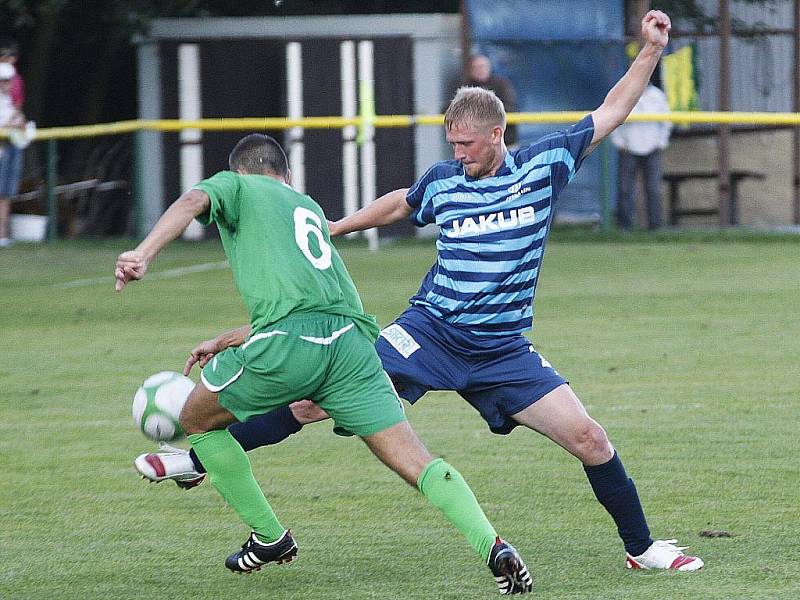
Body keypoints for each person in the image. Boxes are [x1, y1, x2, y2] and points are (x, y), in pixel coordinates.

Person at [137, 10, 704, 576]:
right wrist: (335, 227)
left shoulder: (545, 164)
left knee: (589, 438)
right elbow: (400, 202)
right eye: (452, 143)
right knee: (315, 397)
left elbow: (610, 113)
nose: (458, 153)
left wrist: (650, 51)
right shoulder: (445, 180)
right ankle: (197, 457)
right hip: (426, 333)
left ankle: (643, 548)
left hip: (503, 349)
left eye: (467, 144)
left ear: (497, 135)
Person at [115, 133, 532, 595]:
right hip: (351, 346)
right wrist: (233, 337)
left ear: (240, 173)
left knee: (196, 419)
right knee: (415, 460)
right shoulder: (306, 206)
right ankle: (492, 545)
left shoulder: (238, 187)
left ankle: (270, 537)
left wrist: (143, 253)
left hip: (292, 342)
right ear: (287, 175)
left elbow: (194, 199)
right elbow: (311, 303)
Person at [610, 80, 672, 230]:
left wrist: (660, 142)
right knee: (625, 188)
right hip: (628, 147)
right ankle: (624, 226)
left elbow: (667, 122)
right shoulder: (623, 93)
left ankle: (655, 226)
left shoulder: (657, 96)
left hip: (652, 147)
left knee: (654, 189)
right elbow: (614, 119)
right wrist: (620, 143)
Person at [463, 53, 519, 148]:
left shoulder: (501, 85)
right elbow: (452, 109)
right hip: (476, 145)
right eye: (476, 67)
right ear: (470, 70)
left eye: (483, 66)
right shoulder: (465, 88)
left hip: (505, 141)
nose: (480, 70)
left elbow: (510, 107)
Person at [0, 61, 25, 248]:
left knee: (6, 195)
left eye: (7, 80)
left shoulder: (9, 103)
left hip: (10, 150)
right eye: (2, 80)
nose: (4, 84)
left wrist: (20, 121)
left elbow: (20, 122)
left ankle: (3, 235)